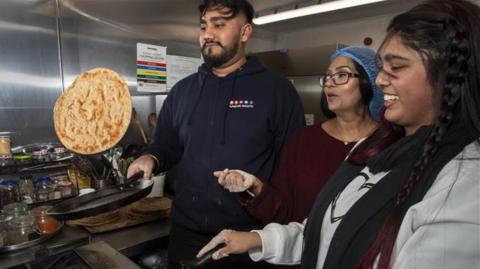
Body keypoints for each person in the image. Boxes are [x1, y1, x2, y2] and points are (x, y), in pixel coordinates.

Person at [197, 1, 480, 268]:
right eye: (382, 67)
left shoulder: (463, 184)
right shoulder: (374, 149)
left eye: (397, 66)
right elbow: (327, 230)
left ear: (449, 75)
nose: (382, 79)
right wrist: (258, 235)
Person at [127, 0, 305, 268]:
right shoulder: (183, 91)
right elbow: (166, 143)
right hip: (187, 233)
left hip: (249, 237)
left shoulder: (277, 92)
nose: (208, 34)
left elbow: (291, 168)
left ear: (245, 33)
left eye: (219, 25)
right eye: (203, 26)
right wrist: (149, 158)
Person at [213, 46, 384, 229]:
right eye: (327, 76)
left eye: (341, 75)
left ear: (369, 81)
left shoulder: (390, 142)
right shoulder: (303, 140)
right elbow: (283, 211)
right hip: (304, 254)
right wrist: (254, 186)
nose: (329, 83)